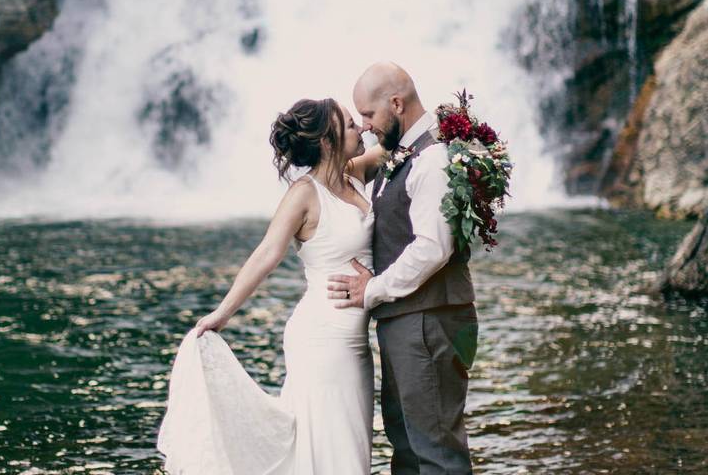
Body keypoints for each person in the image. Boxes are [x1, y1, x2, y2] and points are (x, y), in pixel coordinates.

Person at [157, 97, 377, 474]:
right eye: (351, 123)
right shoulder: (304, 194)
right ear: (327, 141)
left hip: (356, 344)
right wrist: (222, 313)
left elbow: (400, 141)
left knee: (350, 447)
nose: (360, 126)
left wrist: (453, 125)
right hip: (321, 341)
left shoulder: (352, 174)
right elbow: (266, 254)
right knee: (335, 454)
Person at [327, 62, 479, 475]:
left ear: (396, 104)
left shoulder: (431, 160)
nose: (365, 126)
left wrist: (372, 289)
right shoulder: (404, 153)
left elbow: (433, 248)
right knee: (408, 446)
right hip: (411, 321)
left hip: (428, 321)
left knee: (435, 452)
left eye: (369, 115)